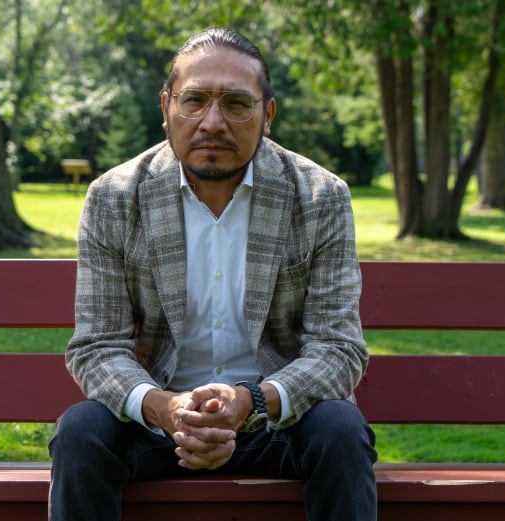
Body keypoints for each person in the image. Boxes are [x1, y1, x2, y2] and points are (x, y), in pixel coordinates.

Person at [49, 28, 377, 520]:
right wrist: (163, 407)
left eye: (237, 104)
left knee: (341, 429)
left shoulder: (319, 197)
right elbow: (97, 346)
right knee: (80, 432)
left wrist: (252, 401)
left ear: (267, 115)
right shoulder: (115, 197)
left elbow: (339, 348)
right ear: (166, 108)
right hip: (158, 424)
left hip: (276, 422)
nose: (212, 122)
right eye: (195, 101)